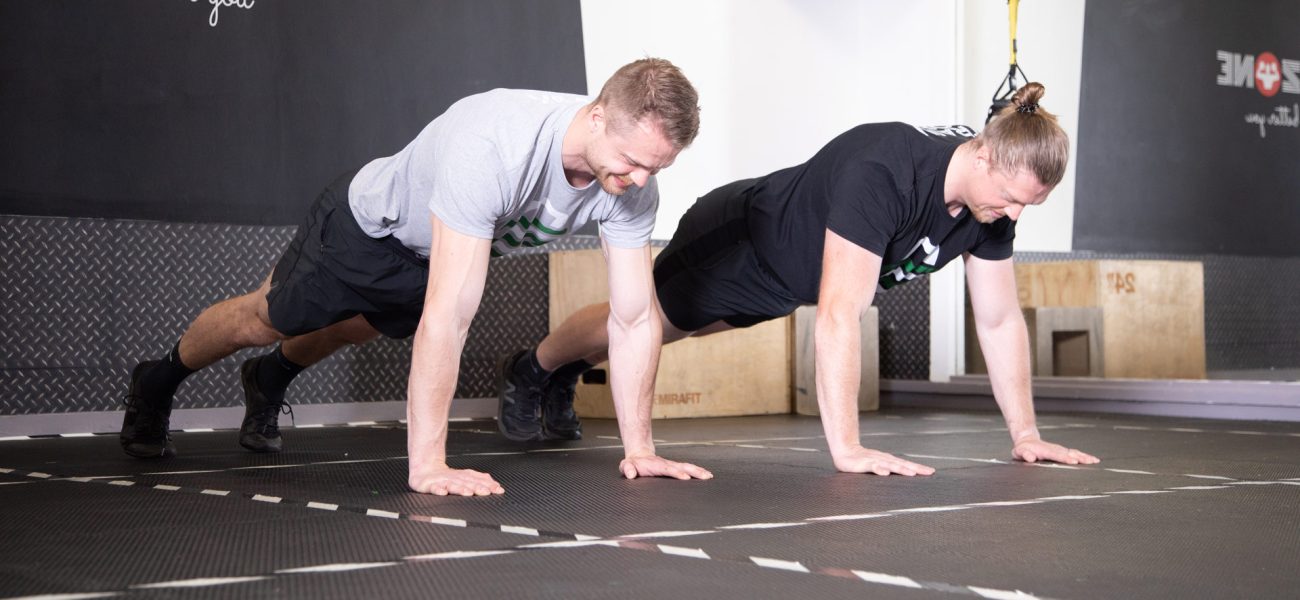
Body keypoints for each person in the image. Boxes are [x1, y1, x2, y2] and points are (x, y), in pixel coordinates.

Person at [118, 58, 712, 496]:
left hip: (431, 255)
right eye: (633, 162)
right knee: (265, 319)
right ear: (598, 114)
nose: (638, 180)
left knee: (351, 330)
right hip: (368, 230)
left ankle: (269, 379)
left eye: (654, 168)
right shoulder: (497, 143)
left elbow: (633, 317)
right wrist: (428, 464)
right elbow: (450, 317)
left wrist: (641, 449)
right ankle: (159, 380)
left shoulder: (631, 187)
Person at [499, 83, 1099, 478]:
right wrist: (848, 448)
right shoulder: (884, 172)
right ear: (984, 155)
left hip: (784, 280)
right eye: (1012, 199)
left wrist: (1026, 433)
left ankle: (560, 369)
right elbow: (840, 314)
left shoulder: (991, 206)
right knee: (646, 321)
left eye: (1030, 206)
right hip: (740, 240)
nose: (1014, 216)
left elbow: (997, 318)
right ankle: (536, 368)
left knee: (675, 330)